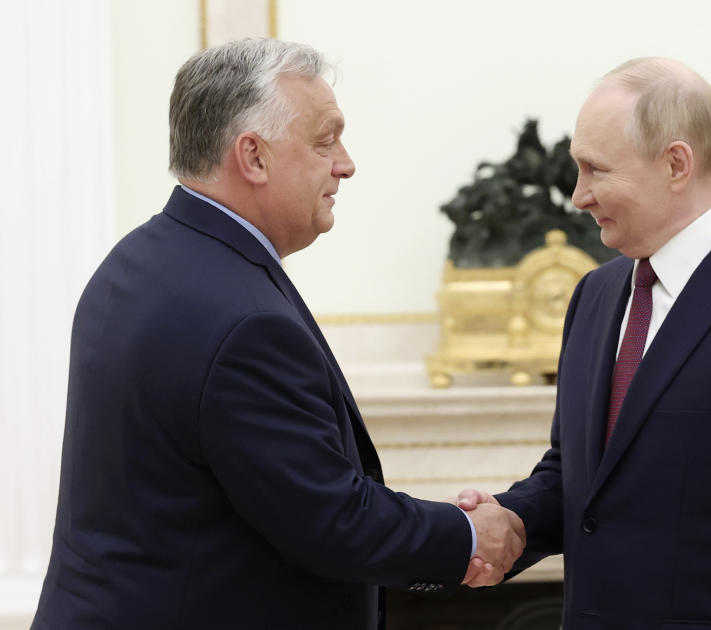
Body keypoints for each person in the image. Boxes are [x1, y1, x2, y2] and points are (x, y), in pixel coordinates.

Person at [31, 38, 523, 630]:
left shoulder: (138, 262)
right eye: (324, 140)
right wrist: (469, 534)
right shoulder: (243, 319)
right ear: (254, 157)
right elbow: (332, 520)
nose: (345, 163)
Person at [458, 57, 711, 629]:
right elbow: (581, 478)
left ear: (676, 164)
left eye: (594, 170)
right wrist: (508, 520)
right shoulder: (595, 294)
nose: (578, 196)